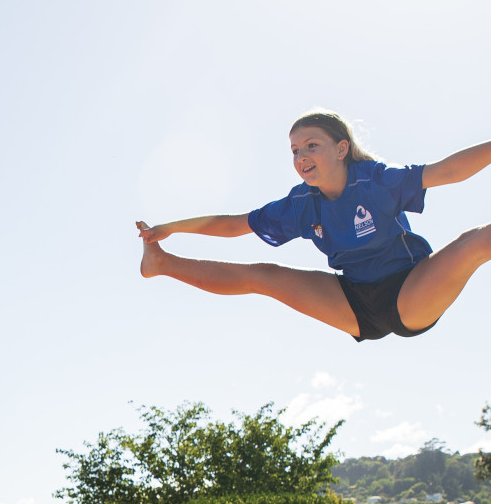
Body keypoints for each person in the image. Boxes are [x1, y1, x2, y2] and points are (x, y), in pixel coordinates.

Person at [138, 110, 491, 342]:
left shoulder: (376, 181)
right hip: (352, 302)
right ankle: (161, 264)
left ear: (341, 149)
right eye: (294, 150)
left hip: (409, 293)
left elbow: (446, 172)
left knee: (475, 241)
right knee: (263, 275)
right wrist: (169, 228)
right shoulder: (302, 204)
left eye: (311, 145)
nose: (301, 156)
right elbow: (234, 226)